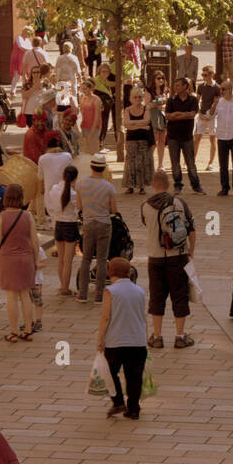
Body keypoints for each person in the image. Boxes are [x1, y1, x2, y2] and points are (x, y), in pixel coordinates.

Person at [142, 169, 196, 349]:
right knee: (179, 295)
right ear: (168, 185)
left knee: (156, 296)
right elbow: (191, 229)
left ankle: (157, 336)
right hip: (177, 256)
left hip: (155, 257)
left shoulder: (145, 206)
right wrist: (191, 251)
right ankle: (180, 336)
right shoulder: (179, 203)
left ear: (152, 185)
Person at [97, 257, 151, 420]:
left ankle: (118, 401)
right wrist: (145, 337)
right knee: (134, 376)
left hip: (116, 341)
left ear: (110, 272)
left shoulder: (110, 291)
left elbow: (106, 317)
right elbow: (143, 317)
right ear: (128, 272)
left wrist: (100, 339)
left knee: (110, 372)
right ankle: (134, 409)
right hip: (137, 341)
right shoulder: (140, 291)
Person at [0, 184, 42, 342]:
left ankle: (13, 331)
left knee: (11, 297)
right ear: (21, 198)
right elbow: (35, 241)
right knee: (25, 296)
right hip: (26, 258)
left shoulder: (0, 217)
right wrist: (35, 260)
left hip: (8, 259)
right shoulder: (27, 216)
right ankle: (28, 329)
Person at [75, 155, 118, 304]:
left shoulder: (80, 184)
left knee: (86, 258)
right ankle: (99, 296)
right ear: (104, 168)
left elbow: (79, 207)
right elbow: (114, 209)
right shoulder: (109, 187)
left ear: (91, 167)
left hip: (88, 224)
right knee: (101, 259)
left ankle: (83, 294)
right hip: (104, 224)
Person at [48, 164, 81, 296]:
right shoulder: (73, 193)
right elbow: (78, 209)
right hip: (70, 225)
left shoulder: (54, 189)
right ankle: (65, 288)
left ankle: (63, 285)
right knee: (68, 261)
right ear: (75, 178)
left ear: (62, 175)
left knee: (61, 259)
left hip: (58, 224)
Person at [122, 88, 154, 194]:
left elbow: (147, 121)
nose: (137, 99)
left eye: (139, 97)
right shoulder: (127, 110)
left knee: (142, 162)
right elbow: (126, 124)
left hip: (144, 139)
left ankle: (142, 186)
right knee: (131, 163)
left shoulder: (146, 109)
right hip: (131, 139)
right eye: (135, 97)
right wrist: (142, 126)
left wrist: (133, 124)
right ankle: (130, 186)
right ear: (131, 98)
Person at [194, 65, 220, 170]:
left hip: (212, 116)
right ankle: (192, 161)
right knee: (197, 138)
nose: (204, 76)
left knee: (212, 139)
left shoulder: (217, 87)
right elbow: (197, 100)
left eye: (206, 74)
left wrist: (210, 115)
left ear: (211, 75)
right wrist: (199, 112)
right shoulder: (200, 86)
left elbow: (216, 103)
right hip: (202, 115)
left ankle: (210, 163)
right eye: (202, 74)